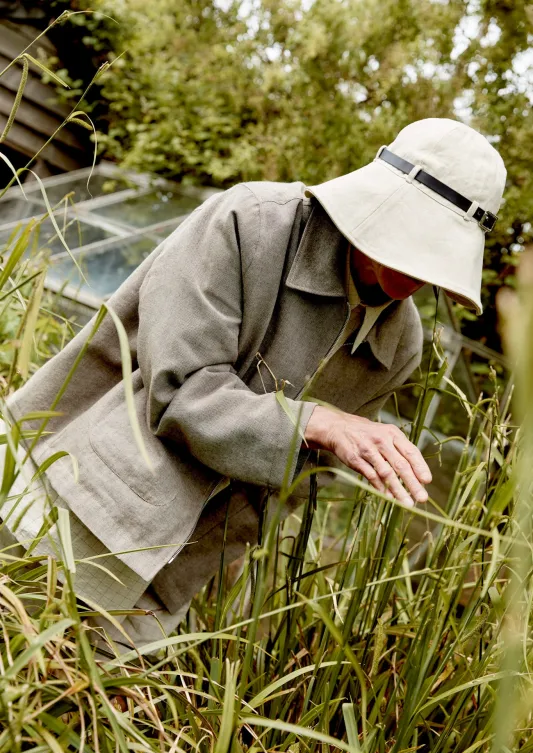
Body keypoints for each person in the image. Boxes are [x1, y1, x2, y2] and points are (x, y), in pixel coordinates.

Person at [0, 117, 506, 650]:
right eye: (415, 238)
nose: (422, 271)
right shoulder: (251, 222)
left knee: (81, 717)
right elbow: (178, 389)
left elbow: (297, 482)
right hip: (70, 502)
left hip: (168, 583)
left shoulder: (400, 345)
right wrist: (316, 421)